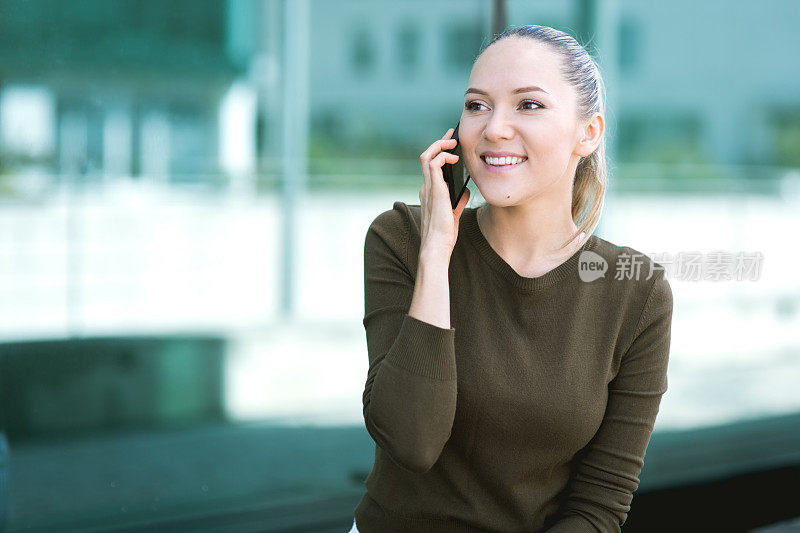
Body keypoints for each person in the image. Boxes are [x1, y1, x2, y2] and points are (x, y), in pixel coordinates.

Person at [350, 24, 673, 533]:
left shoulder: (636, 292)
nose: (495, 128)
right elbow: (412, 442)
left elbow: (599, 508)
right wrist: (438, 250)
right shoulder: (402, 239)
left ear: (587, 133)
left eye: (529, 105)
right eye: (477, 106)